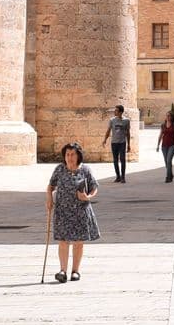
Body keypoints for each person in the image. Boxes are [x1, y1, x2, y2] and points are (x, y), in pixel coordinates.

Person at [46, 142, 100, 282]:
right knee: (63, 241)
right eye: (67, 155)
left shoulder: (85, 170)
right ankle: (62, 271)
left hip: (80, 211)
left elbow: (94, 187)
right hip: (62, 210)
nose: (70, 158)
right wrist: (49, 199)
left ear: (78, 156)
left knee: (78, 242)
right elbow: (50, 186)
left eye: (73, 154)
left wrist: (88, 197)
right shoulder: (59, 169)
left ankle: (75, 271)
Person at [106, 104, 131, 183]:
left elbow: (128, 133)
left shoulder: (126, 121)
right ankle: (118, 176)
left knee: (123, 159)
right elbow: (108, 130)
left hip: (122, 143)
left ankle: (123, 177)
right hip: (114, 143)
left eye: (116, 110)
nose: (114, 112)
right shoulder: (112, 120)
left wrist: (129, 144)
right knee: (115, 160)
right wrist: (105, 139)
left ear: (120, 112)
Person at [158, 108, 174, 183]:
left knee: (168, 160)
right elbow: (160, 135)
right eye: (167, 116)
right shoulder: (163, 125)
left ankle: (168, 177)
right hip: (164, 146)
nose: (167, 117)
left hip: (173, 145)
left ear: (172, 117)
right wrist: (158, 145)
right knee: (166, 161)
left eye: (169, 116)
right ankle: (171, 174)